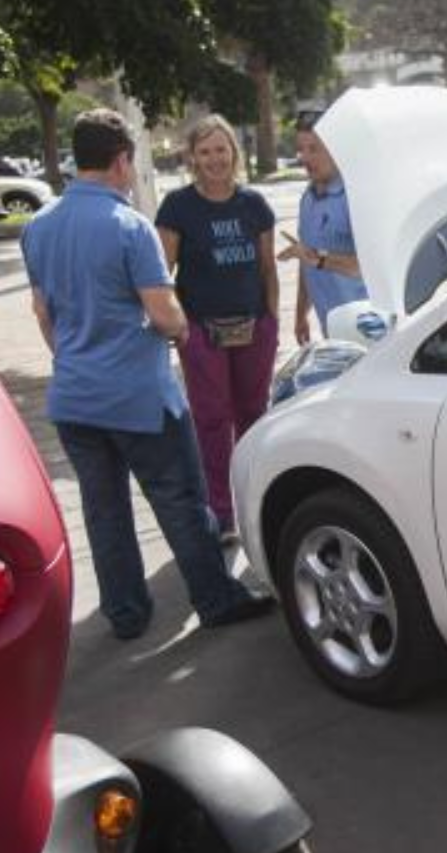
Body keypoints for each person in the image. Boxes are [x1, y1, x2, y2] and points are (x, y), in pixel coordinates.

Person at [22, 108, 271, 640]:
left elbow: (43, 314)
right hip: (139, 397)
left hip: (74, 398)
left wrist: (74, 353)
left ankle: (127, 613)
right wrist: (181, 332)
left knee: (104, 510)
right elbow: (163, 314)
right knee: (181, 500)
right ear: (121, 161)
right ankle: (216, 597)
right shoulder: (129, 225)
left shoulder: (38, 227)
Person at [154, 115, 279, 537]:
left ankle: (257, 502)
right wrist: (178, 327)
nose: (214, 159)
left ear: (234, 153)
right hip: (202, 331)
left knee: (253, 415)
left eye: (221, 150)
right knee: (211, 418)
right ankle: (222, 513)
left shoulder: (255, 205)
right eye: (204, 152)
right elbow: (161, 270)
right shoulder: (177, 207)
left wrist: (272, 319)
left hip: (253, 326)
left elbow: (267, 270)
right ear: (192, 158)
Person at [277, 110, 366, 344]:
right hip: (332, 332)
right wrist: (300, 315)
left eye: (314, 149)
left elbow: (369, 266)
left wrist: (319, 258)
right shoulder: (307, 198)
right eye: (301, 149)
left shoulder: (355, 197)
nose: (305, 158)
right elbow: (306, 260)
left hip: (369, 330)